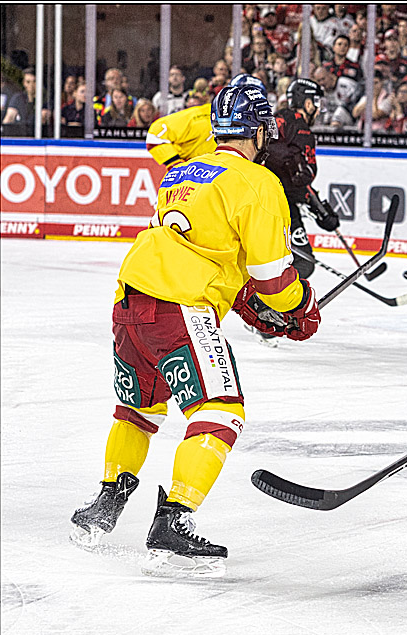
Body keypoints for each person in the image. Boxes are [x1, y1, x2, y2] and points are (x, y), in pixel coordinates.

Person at [69, 85, 321, 578]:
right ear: (261, 130)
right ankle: (173, 521)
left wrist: (240, 294)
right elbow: (273, 278)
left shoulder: (182, 171)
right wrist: (300, 305)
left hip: (129, 300)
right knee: (221, 410)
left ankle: (105, 504)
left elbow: (205, 246)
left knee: (138, 410)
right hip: (180, 307)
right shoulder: (257, 181)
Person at [265, 78, 341, 281]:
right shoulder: (302, 130)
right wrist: (321, 211)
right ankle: (272, 305)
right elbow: (299, 179)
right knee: (303, 263)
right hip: (278, 204)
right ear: (308, 103)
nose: (318, 110)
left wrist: (318, 206)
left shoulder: (275, 119)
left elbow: (285, 170)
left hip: (258, 199)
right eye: (317, 103)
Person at [145, 73, 263, 170]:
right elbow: (156, 134)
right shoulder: (200, 117)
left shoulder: (261, 130)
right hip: (189, 189)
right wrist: (177, 166)